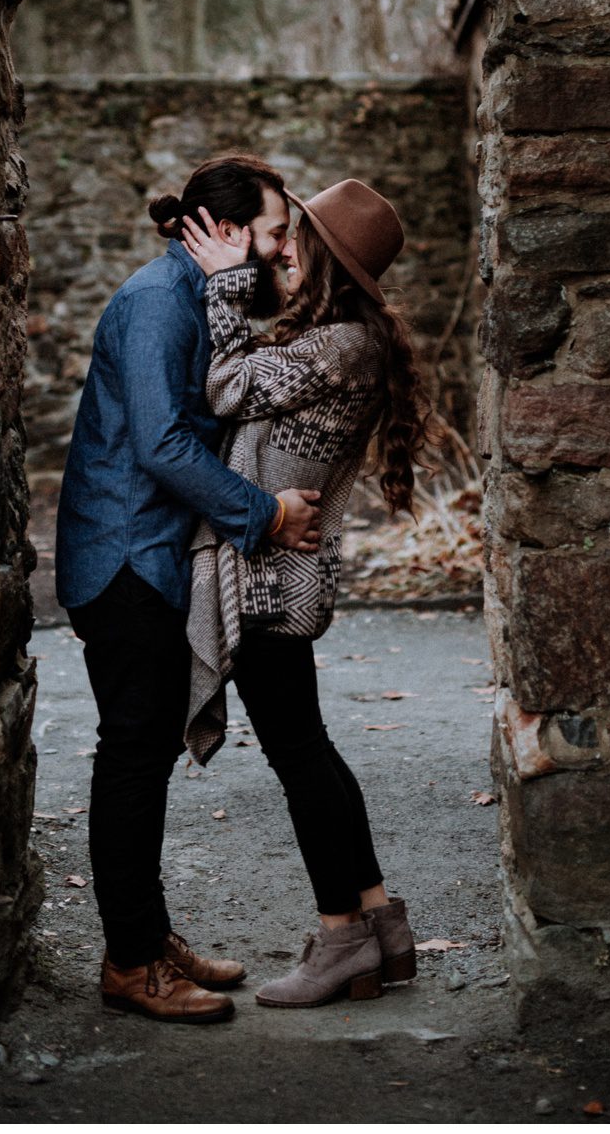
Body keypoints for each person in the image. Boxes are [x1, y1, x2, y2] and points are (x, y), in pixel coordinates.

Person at [55, 154, 326, 1025]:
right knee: (134, 756)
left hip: (155, 558)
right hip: (126, 561)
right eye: (276, 233)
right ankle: (131, 963)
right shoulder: (157, 303)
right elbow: (163, 446)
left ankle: (146, 934)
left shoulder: (198, 296)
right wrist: (267, 515)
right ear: (230, 230)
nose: (285, 250)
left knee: (146, 756)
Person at [180, 178, 439, 1008]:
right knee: (310, 752)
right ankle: (381, 927)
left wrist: (224, 285)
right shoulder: (339, 340)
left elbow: (227, 387)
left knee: (301, 760)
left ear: (329, 260)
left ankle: (340, 941)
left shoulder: (342, 346)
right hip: (280, 576)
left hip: (271, 584)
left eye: (301, 238)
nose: (285, 246)